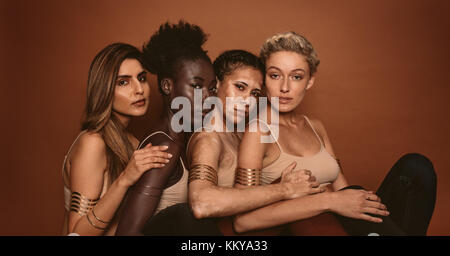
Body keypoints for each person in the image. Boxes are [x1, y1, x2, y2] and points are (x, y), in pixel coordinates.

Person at [234, 31, 437, 236]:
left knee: (416, 167)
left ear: (309, 81)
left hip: (340, 225)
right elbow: (243, 221)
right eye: (275, 75)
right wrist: (329, 201)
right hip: (307, 227)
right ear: (264, 80)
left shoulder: (315, 126)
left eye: (296, 77)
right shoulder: (259, 130)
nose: (285, 87)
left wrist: (356, 204)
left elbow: (343, 191)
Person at [138, 50, 318, 235]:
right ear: (216, 84)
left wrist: (283, 184)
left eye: (255, 93)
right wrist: (285, 189)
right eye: (240, 87)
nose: (248, 100)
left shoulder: (240, 135)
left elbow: (250, 196)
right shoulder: (208, 138)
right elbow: (202, 203)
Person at [115, 21, 217, 235]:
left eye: (212, 88)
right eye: (196, 86)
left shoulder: (182, 139)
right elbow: (127, 233)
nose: (208, 98)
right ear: (167, 86)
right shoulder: (164, 147)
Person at [62, 43, 171, 235]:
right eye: (123, 82)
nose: (139, 89)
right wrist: (125, 179)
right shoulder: (93, 142)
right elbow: (75, 233)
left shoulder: (133, 142)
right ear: (103, 89)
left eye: (142, 78)